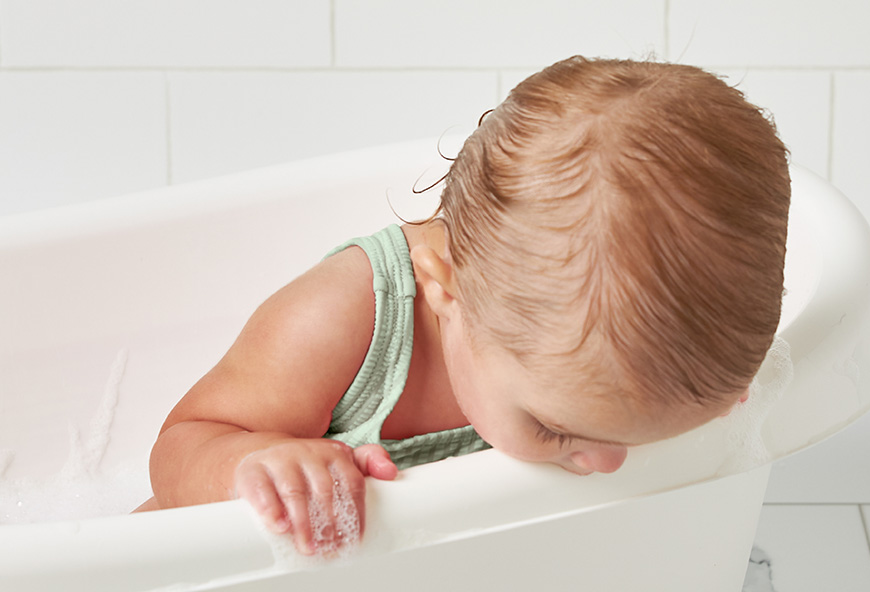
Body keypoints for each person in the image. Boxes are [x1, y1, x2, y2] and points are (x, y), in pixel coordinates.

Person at [143, 55, 790, 556]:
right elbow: (181, 448)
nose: (605, 464)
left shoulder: (653, 347)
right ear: (444, 288)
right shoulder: (341, 318)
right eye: (553, 428)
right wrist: (253, 467)